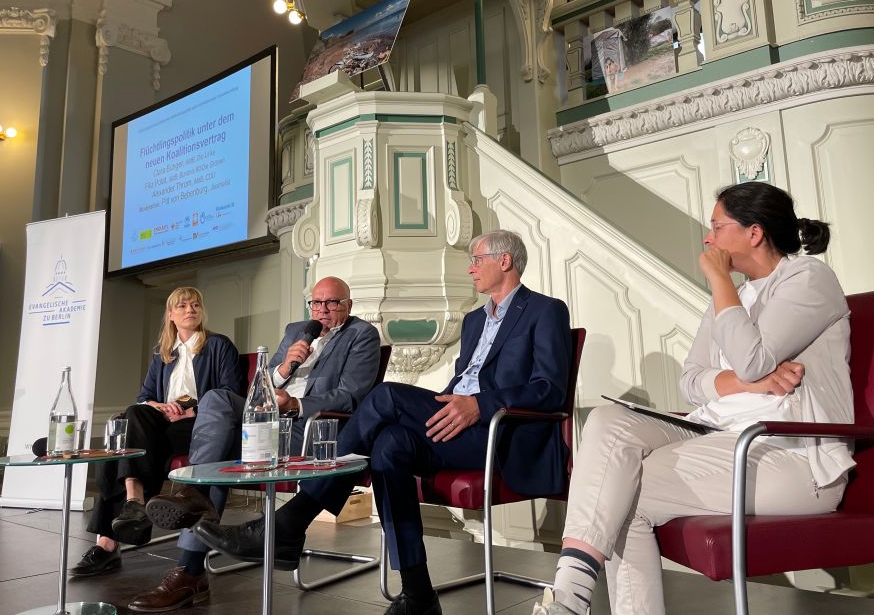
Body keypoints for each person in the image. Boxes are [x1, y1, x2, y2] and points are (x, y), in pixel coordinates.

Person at [192, 230, 573, 615]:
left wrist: (479, 405)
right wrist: (457, 403)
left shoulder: (545, 310)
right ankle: (418, 593)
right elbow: (462, 381)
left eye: (477, 260)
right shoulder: (475, 320)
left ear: (504, 261)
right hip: (456, 421)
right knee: (389, 445)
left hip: (499, 433)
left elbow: (550, 389)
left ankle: (290, 521)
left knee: (386, 394)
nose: (470, 268)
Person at [533, 181, 855, 615]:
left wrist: (721, 282)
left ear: (754, 233)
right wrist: (747, 384)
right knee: (608, 420)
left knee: (620, 490)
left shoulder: (808, 278)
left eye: (717, 227)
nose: (708, 238)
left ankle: (567, 601)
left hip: (790, 457)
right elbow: (691, 380)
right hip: (717, 434)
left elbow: (753, 359)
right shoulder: (732, 297)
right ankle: (571, 594)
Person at [125, 275, 381, 613]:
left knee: (216, 455)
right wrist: (285, 368)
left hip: (305, 427)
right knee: (216, 398)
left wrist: (295, 403)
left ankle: (188, 570)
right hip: (267, 418)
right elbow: (264, 381)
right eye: (316, 303)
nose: (322, 310)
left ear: (348, 305)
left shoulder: (361, 334)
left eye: (332, 303)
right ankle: (194, 502)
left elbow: (351, 395)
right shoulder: (296, 330)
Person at [71, 287, 243, 577]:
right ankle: (134, 501)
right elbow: (144, 397)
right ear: (171, 314)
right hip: (164, 420)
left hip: (200, 422)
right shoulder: (163, 354)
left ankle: (109, 541)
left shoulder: (218, 345)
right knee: (133, 415)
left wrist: (190, 411)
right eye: (183, 306)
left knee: (131, 447)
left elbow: (231, 392)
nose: (190, 310)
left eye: (195, 305)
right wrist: (160, 407)